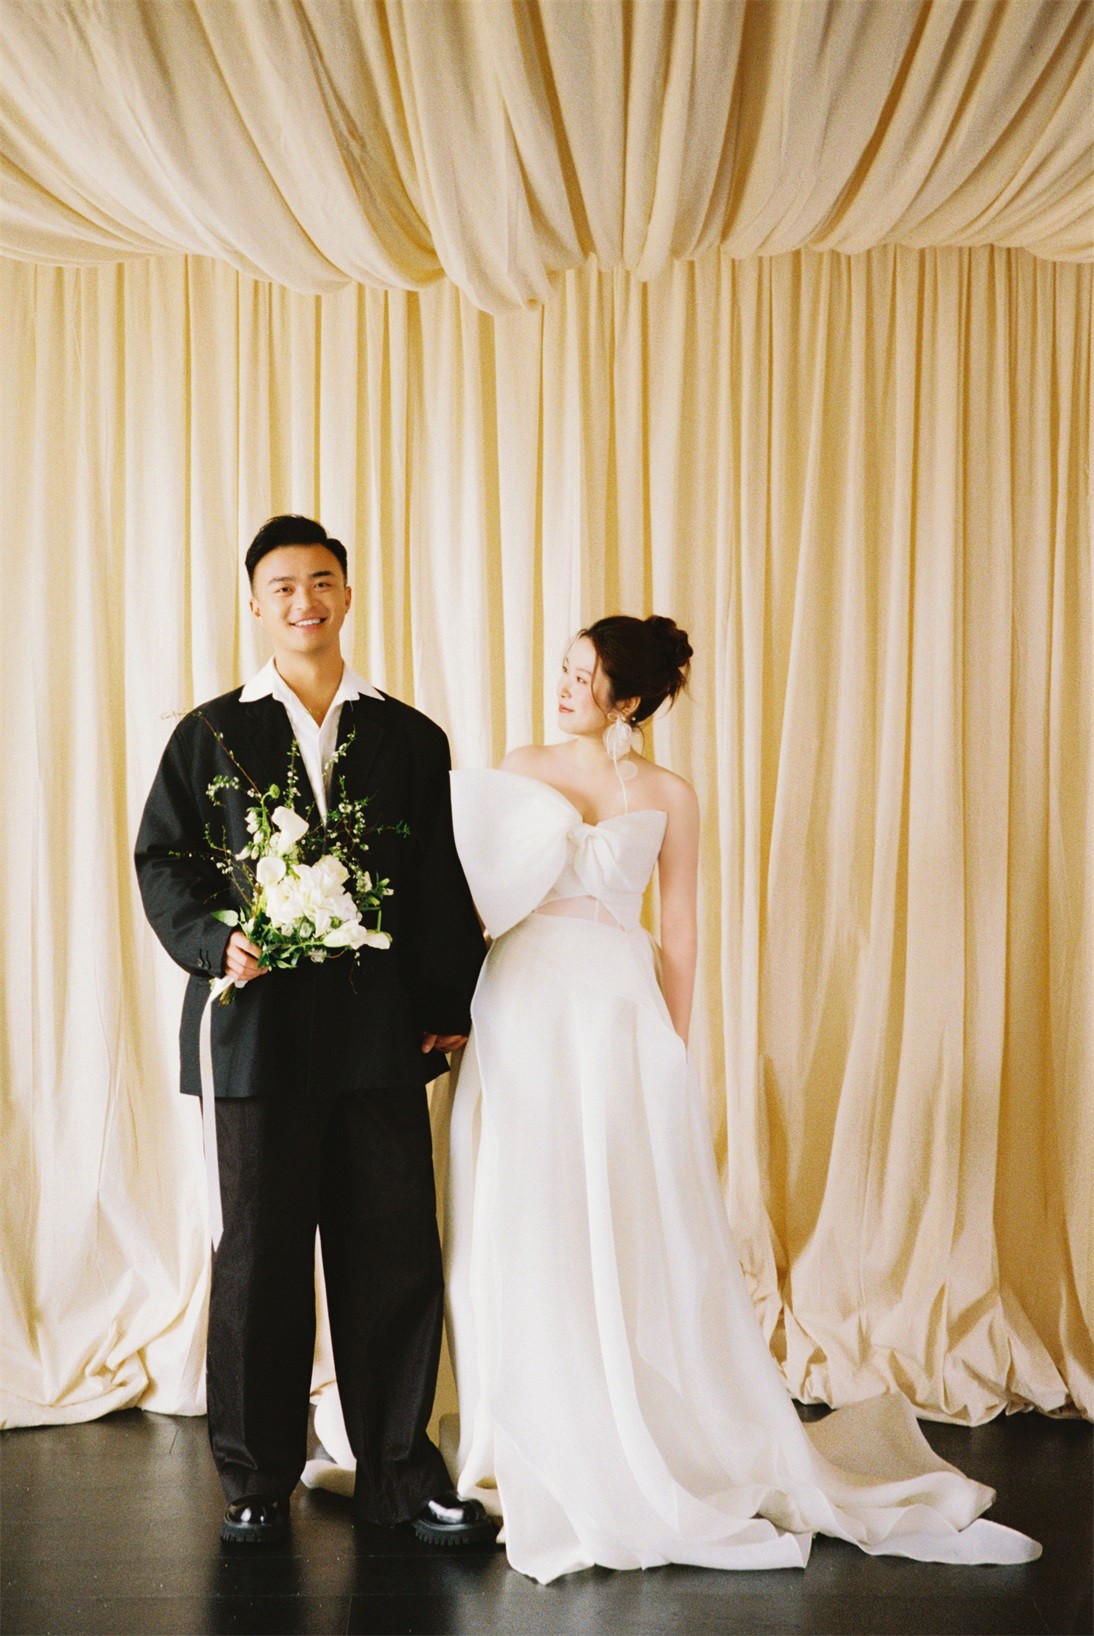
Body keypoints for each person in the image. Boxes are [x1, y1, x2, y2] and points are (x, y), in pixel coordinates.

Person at [439, 614, 1041, 1583]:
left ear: (628, 701)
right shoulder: (520, 764)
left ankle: (632, 1421)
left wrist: (671, 1044)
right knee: (520, 1198)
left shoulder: (669, 794)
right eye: (563, 669)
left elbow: (678, 925)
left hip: (613, 1007)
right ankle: (520, 1422)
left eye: (584, 677)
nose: (563, 687)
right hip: (520, 996)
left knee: (621, 1208)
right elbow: (476, 897)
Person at [135, 514, 494, 1548]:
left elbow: (437, 877)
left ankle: (399, 1474)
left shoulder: (410, 737)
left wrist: (446, 1005)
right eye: (285, 586)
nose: (306, 601)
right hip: (255, 1040)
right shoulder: (208, 734)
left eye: (323, 580)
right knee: (259, 1263)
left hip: (380, 1038)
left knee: (393, 1259)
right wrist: (217, 941)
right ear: (255, 603)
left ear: (347, 592)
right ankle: (256, 1478)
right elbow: (164, 861)